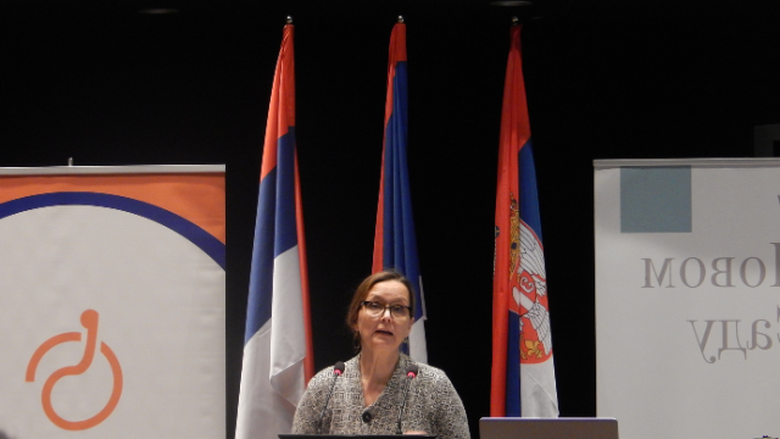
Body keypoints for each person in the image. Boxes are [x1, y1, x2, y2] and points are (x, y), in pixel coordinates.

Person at [292, 270, 470, 439]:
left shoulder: (435, 386)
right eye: (375, 305)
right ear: (355, 319)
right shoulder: (325, 386)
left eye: (398, 308)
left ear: (409, 326)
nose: (386, 316)